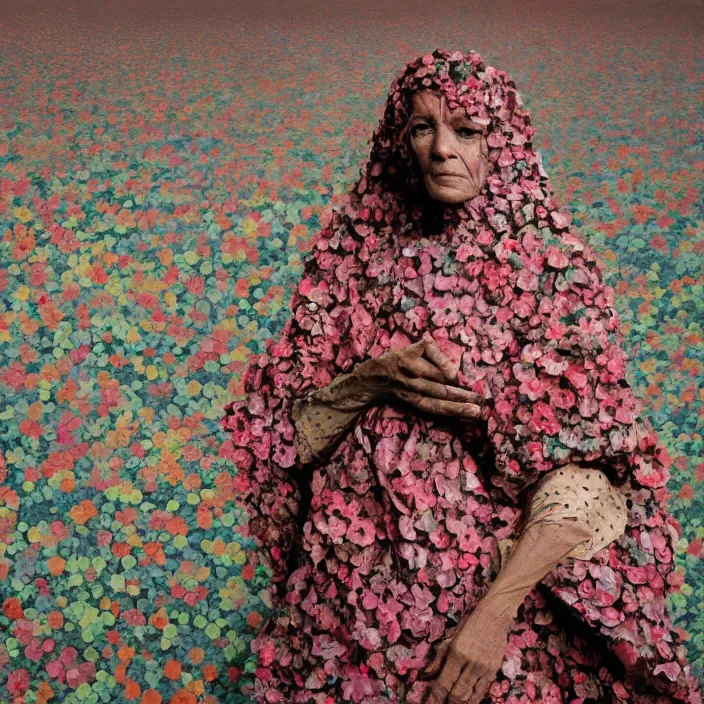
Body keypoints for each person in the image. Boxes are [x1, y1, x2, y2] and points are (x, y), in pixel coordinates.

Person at [221, 49, 701, 704]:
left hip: (485, 606)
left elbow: (586, 479)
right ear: (400, 140)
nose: (442, 149)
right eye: (423, 128)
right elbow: (289, 438)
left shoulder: (555, 269)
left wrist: (492, 618)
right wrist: (373, 378)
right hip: (345, 599)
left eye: (466, 130)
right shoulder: (354, 256)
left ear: (502, 141)